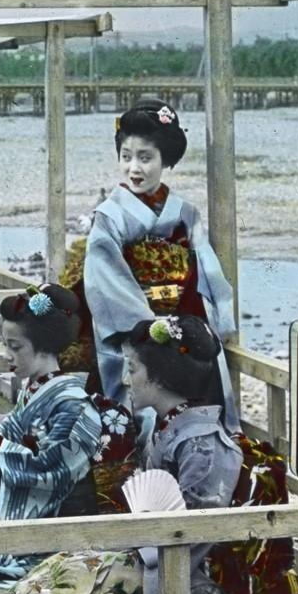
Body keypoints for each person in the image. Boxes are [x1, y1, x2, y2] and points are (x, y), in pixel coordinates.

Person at [79, 99, 239, 426]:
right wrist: (151, 331)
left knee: (203, 405)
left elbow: (208, 271)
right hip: (135, 338)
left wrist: (221, 317)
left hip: (183, 330)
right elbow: (107, 283)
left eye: (145, 158)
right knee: (143, 417)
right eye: (126, 157)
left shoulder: (184, 213)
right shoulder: (109, 217)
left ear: (165, 158)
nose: (134, 168)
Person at [0, 284, 103, 586]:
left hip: (54, 525)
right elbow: (9, 447)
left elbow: (56, 472)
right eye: (5, 345)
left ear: (44, 345)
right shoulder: (32, 391)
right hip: (18, 511)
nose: (7, 355)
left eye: (16, 347)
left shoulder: (74, 404)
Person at [122, 314, 242, 594]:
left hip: (192, 571)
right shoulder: (168, 427)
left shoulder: (202, 442)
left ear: (160, 377)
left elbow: (199, 530)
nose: (125, 380)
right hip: (157, 552)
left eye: (132, 369)